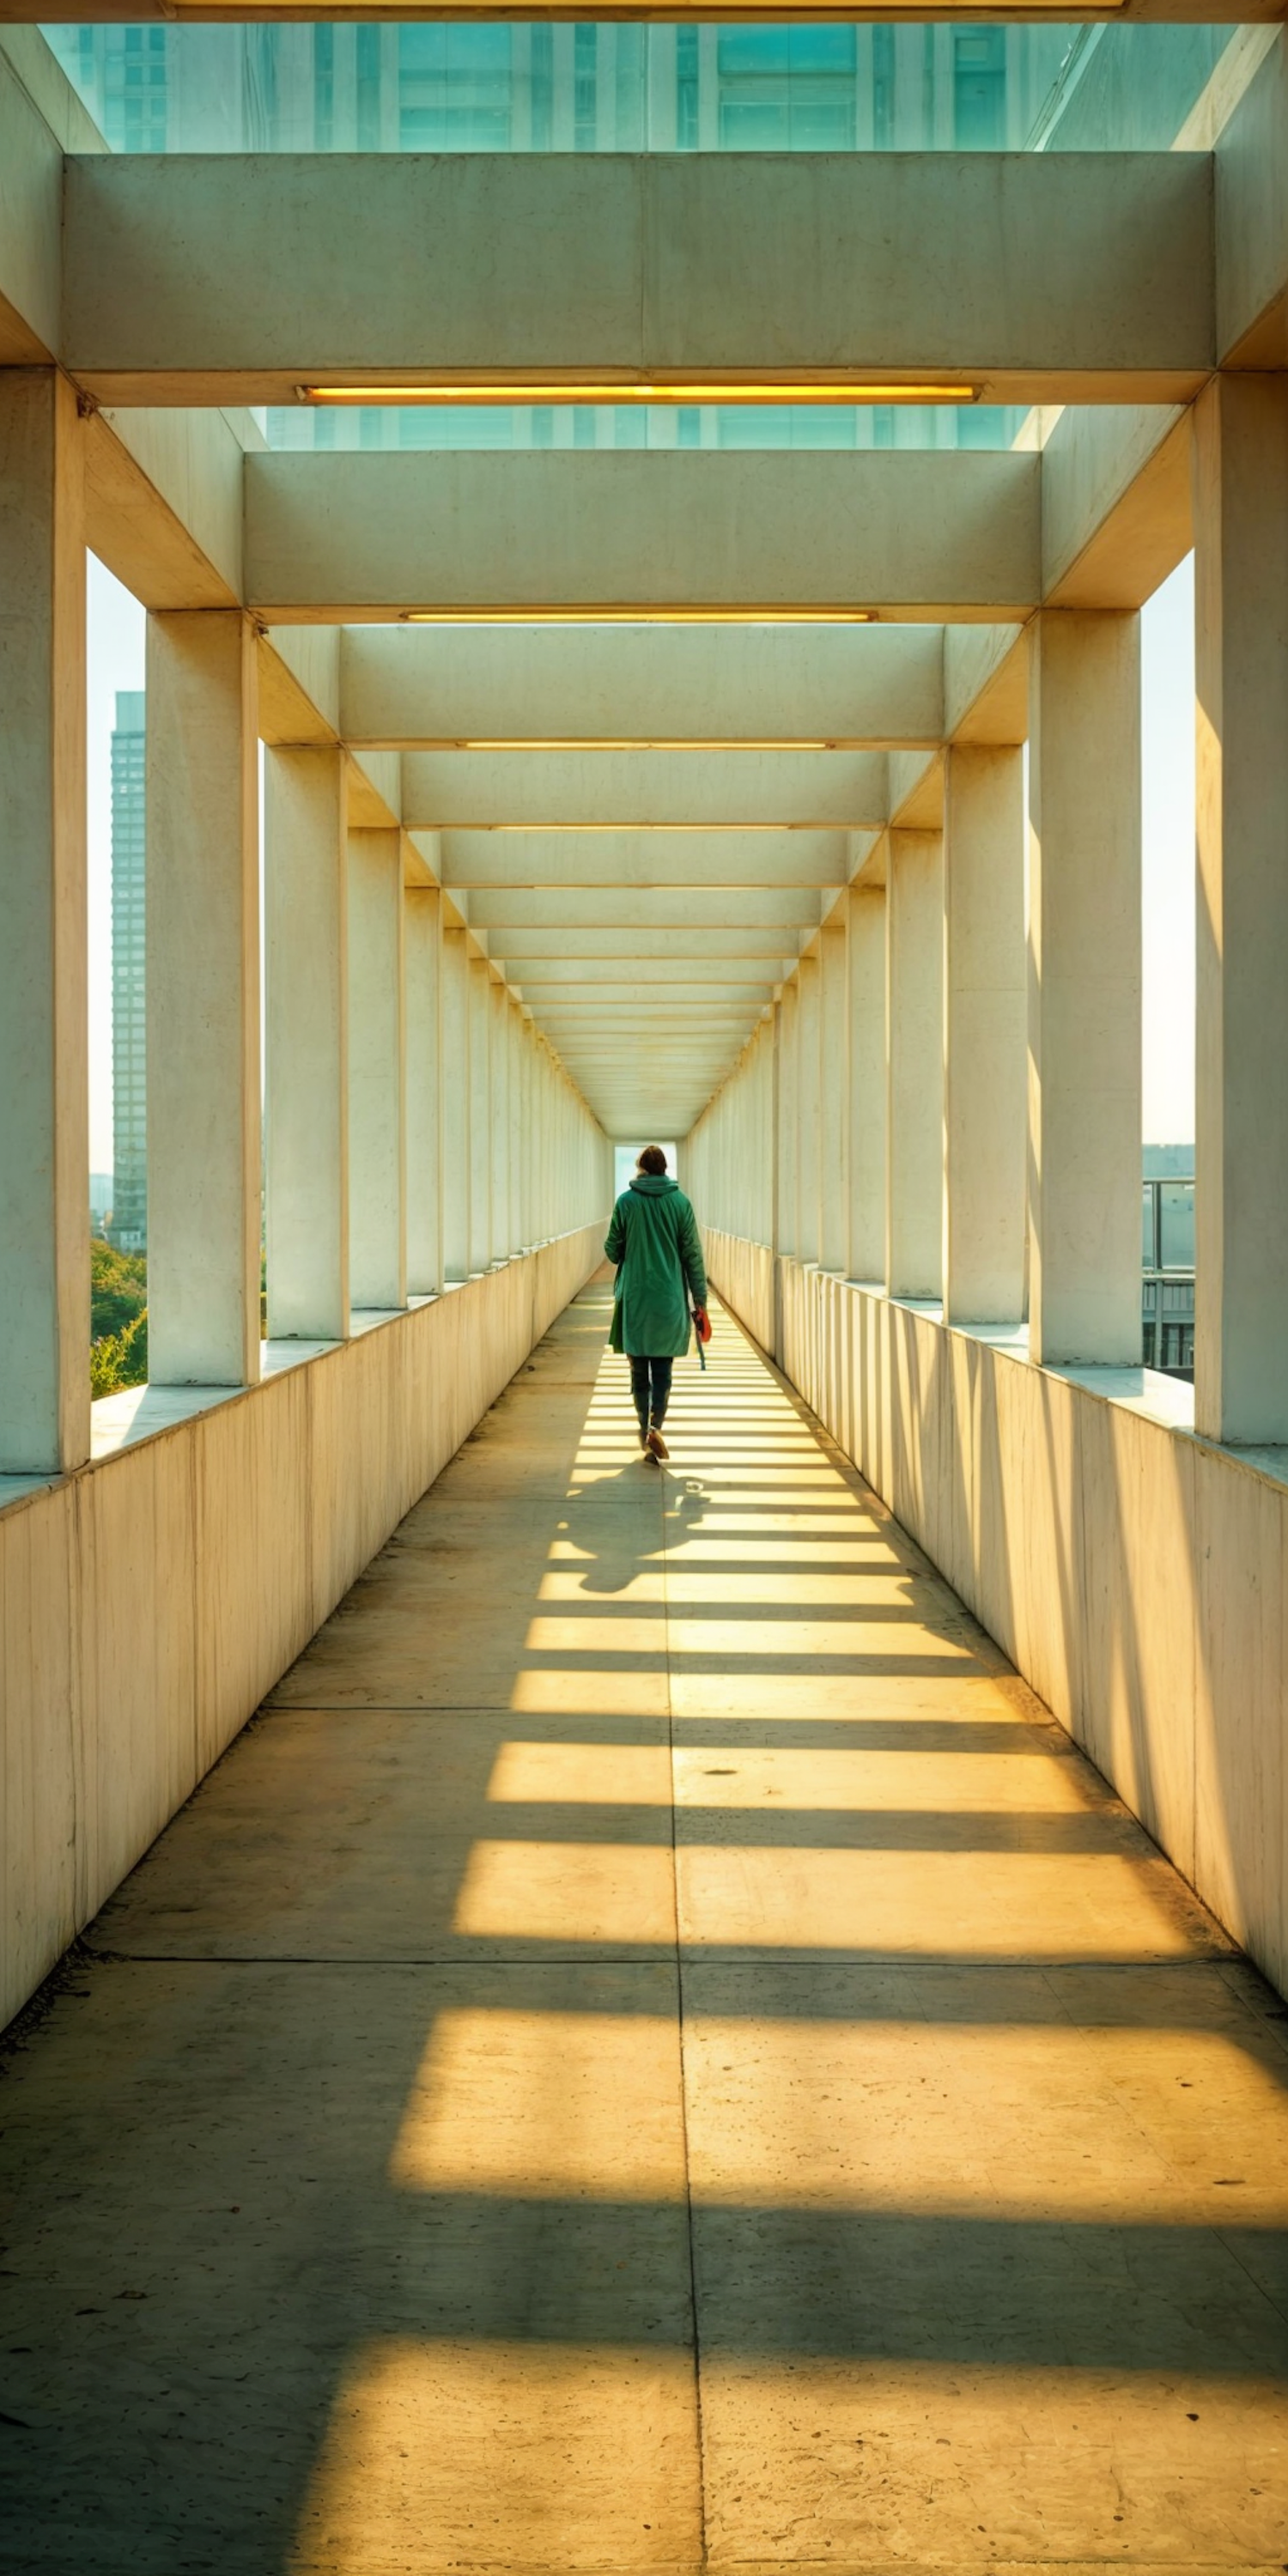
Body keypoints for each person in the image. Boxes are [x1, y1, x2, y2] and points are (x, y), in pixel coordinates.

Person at [605, 1146, 709, 1463]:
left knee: (639, 1370)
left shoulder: (625, 1202)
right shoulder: (680, 1203)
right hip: (669, 1299)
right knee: (663, 1369)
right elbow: (693, 1255)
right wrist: (700, 1301)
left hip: (636, 1297)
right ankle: (656, 1426)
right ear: (665, 1169)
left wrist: (630, 1245)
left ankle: (642, 1426)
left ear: (641, 1169)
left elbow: (612, 1249)